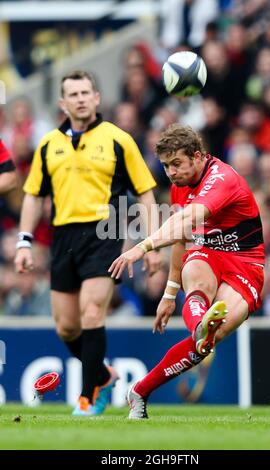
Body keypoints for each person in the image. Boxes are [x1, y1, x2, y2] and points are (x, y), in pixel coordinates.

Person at [14, 70, 161, 416]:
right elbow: (33, 196)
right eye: (73, 94)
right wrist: (24, 241)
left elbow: (146, 194)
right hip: (63, 237)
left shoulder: (118, 140)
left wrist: (152, 244)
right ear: (63, 103)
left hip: (104, 233)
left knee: (92, 310)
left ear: (96, 98)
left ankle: (88, 396)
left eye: (86, 92)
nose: (80, 98)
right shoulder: (49, 145)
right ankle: (103, 374)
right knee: (66, 325)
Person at [109, 124, 265, 419]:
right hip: (207, 254)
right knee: (197, 269)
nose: (171, 172)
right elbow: (183, 239)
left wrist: (142, 247)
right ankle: (200, 327)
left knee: (208, 343)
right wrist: (169, 293)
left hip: (246, 263)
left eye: (176, 163)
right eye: (166, 165)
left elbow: (186, 221)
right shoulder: (179, 186)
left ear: (198, 156)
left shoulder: (222, 178)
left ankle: (139, 390)